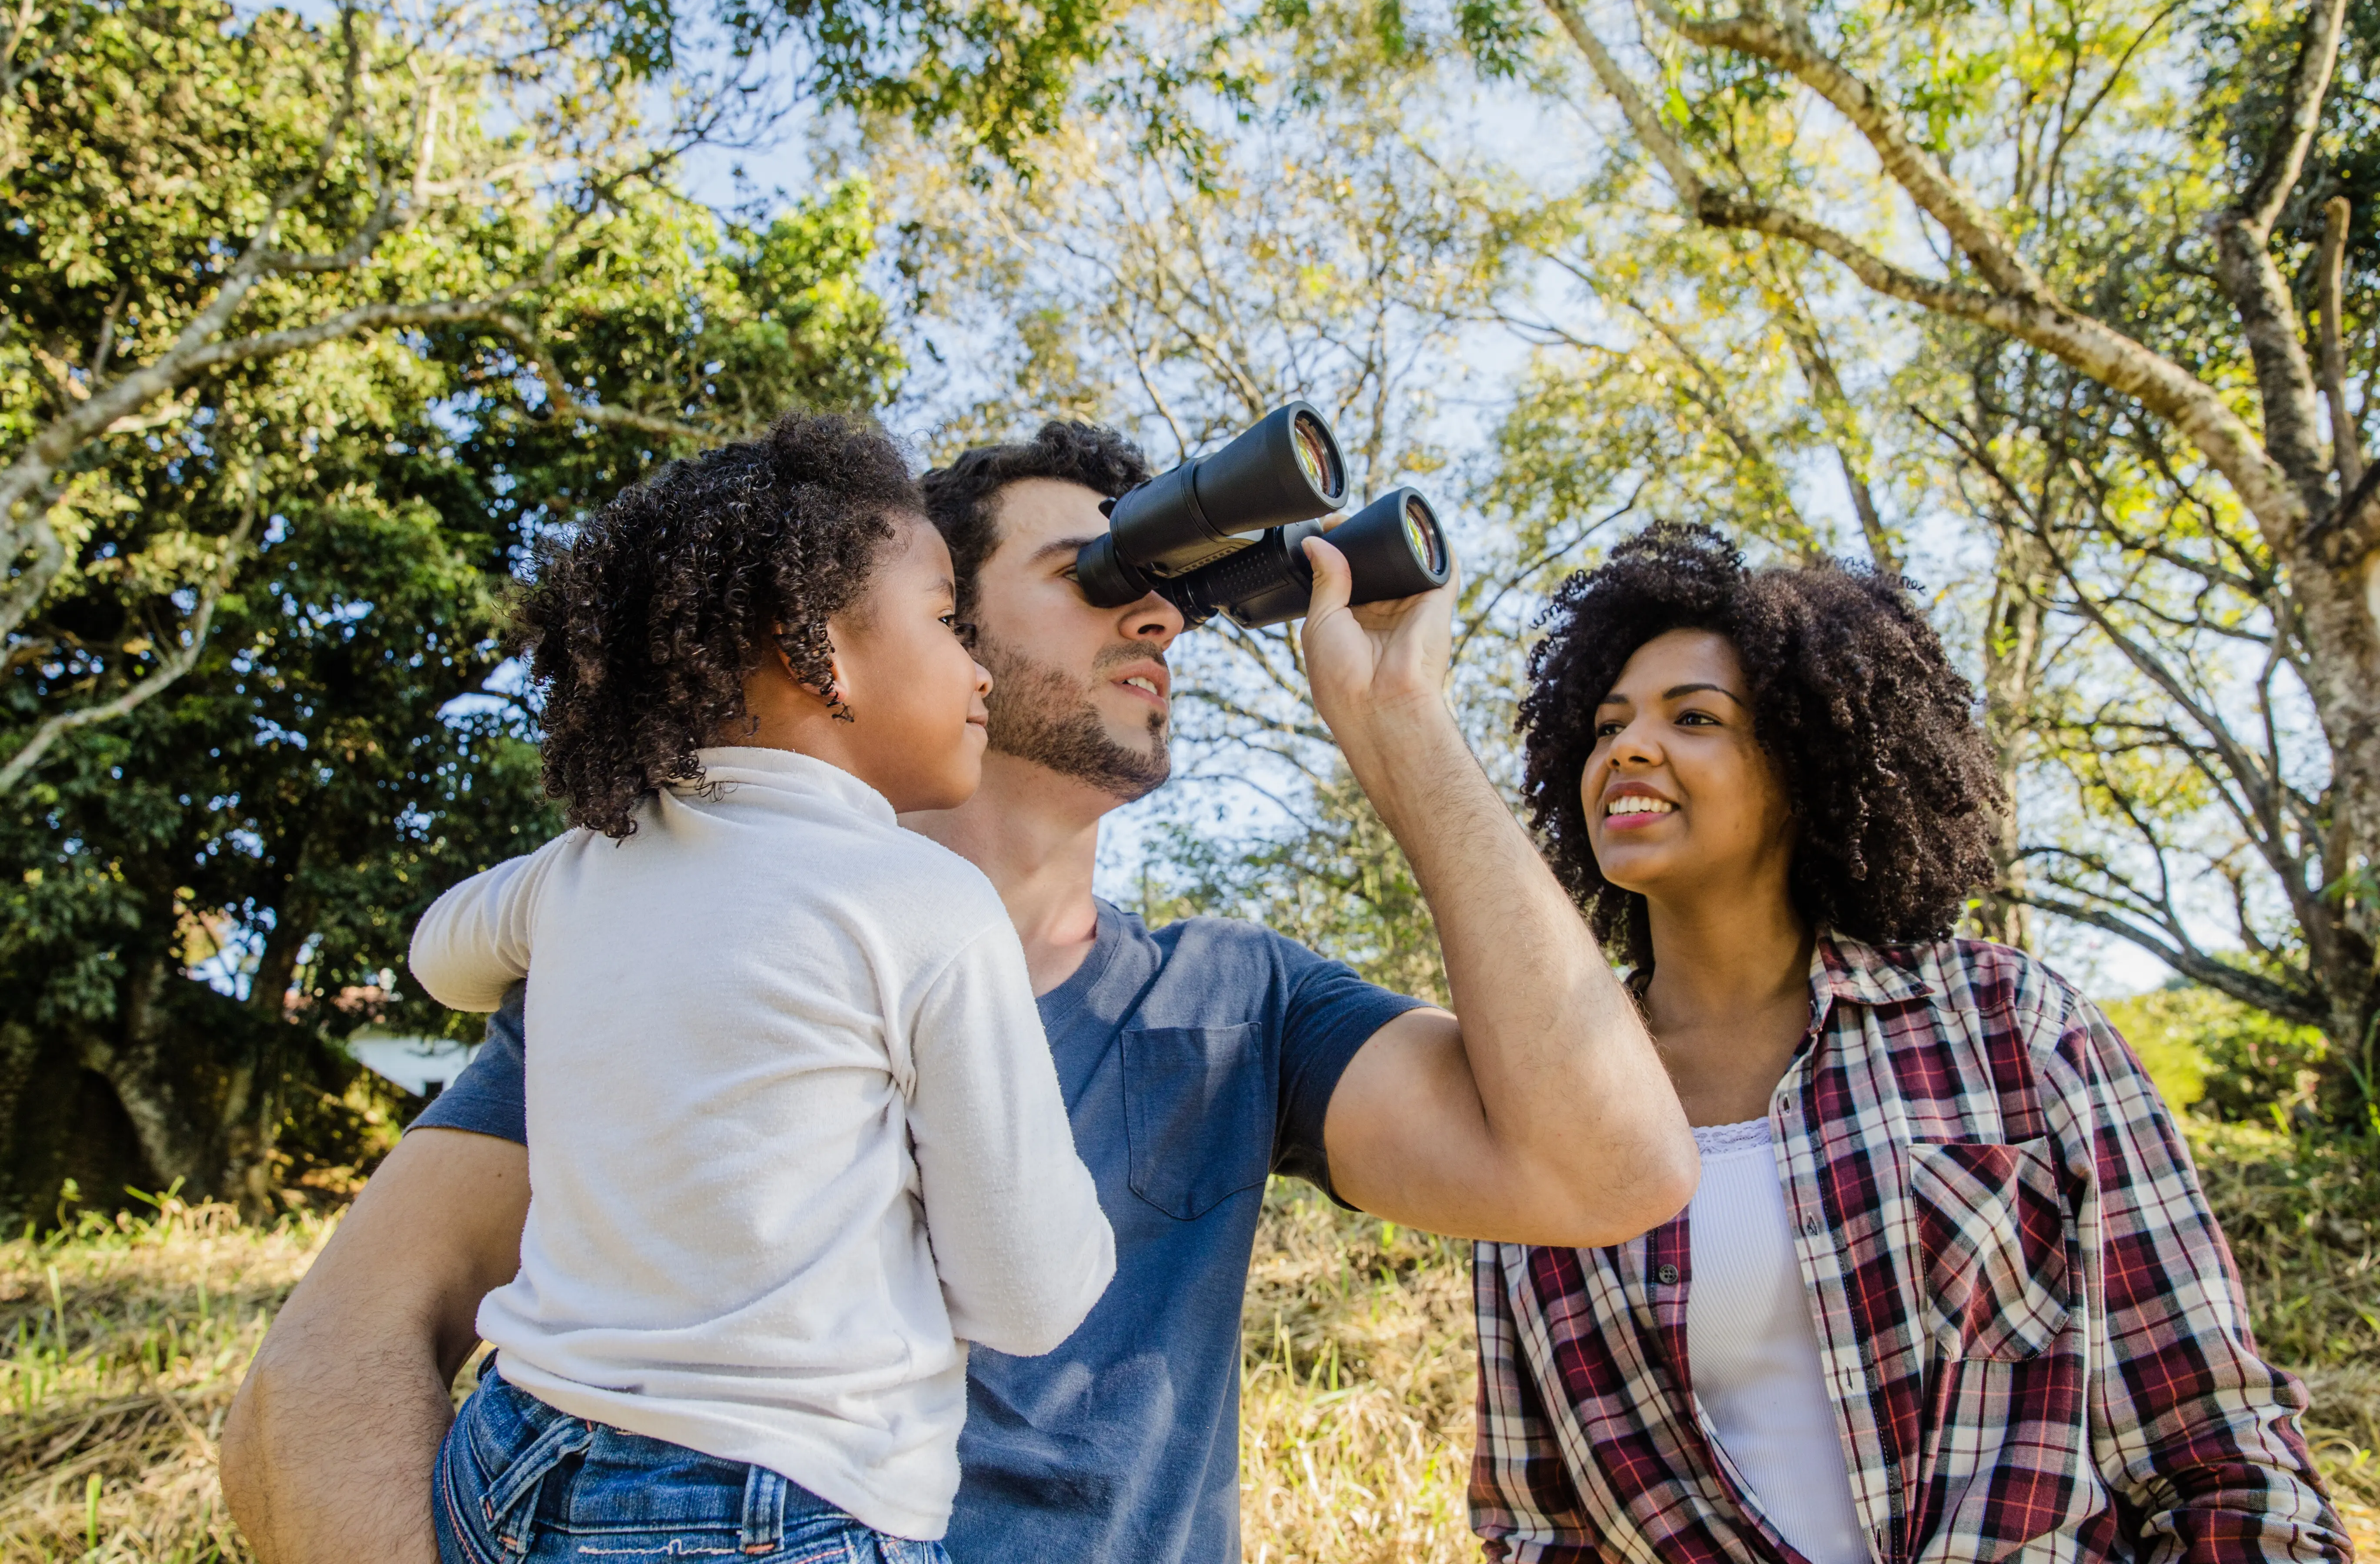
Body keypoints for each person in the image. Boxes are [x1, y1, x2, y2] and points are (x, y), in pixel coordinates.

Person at [220, 420, 1699, 1564]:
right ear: (899, 632)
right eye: (1098, 573)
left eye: (1173, 592)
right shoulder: (674, 948)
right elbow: (330, 1363)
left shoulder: (1234, 1001)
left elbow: (1611, 1163)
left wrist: (1402, 726)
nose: (1161, 621)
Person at [1470, 522, 2350, 1564]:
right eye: (1606, 725)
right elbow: (1540, 1526)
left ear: (1808, 762)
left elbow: (2216, 1448)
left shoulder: (2009, 1028)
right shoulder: (1545, 1099)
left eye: (1694, 717)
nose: (1627, 748)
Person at [406, 412, 1113, 1563]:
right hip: (772, 1508)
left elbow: (442, 952)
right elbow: (1028, 1300)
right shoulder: (922, 904)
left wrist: (564, 899)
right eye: (945, 622)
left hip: (514, 1460)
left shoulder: (589, 864)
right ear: (819, 651)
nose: (977, 668)